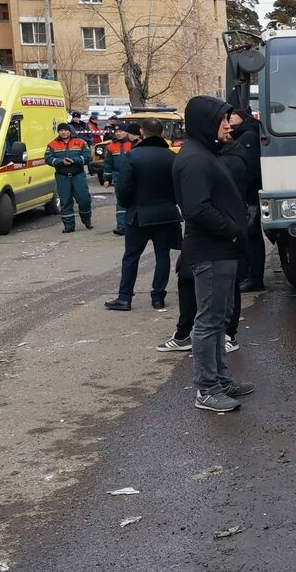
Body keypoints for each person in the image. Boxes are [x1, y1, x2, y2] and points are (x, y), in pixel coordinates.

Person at [173, 95, 251, 413]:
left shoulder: (204, 152)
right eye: (222, 119)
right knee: (208, 322)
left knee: (218, 318)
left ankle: (220, 379)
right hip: (212, 250)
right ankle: (206, 389)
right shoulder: (194, 158)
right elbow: (197, 208)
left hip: (221, 250)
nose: (228, 125)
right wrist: (232, 229)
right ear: (206, 122)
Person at [106, 119, 181, 311]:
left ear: (142, 132)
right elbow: (179, 187)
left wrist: (127, 205)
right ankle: (158, 297)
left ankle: (125, 298)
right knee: (162, 255)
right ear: (162, 132)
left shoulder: (133, 156)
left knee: (131, 256)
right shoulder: (172, 157)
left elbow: (123, 187)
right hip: (166, 214)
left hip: (139, 214)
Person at [222, 110, 267, 293]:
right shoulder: (245, 134)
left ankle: (254, 276)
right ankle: (250, 275)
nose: (229, 119)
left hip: (249, 197)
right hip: (248, 196)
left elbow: (249, 169)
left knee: (252, 237)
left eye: (232, 115)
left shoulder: (248, 136)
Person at [45, 122, 93, 233]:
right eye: (61, 130)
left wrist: (75, 160)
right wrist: (60, 162)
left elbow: (87, 156)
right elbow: (48, 158)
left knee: (84, 200)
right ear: (58, 132)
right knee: (65, 201)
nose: (63, 132)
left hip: (78, 175)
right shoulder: (52, 144)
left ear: (70, 131)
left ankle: (87, 220)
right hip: (62, 177)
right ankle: (69, 225)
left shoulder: (80, 142)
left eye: (65, 130)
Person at [103, 123, 134, 234]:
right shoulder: (111, 146)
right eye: (116, 132)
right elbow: (108, 163)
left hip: (132, 176)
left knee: (133, 200)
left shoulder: (133, 144)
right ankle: (121, 226)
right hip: (118, 176)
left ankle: (134, 225)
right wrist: (106, 179)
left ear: (126, 132)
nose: (118, 133)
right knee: (120, 201)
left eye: (120, 131)